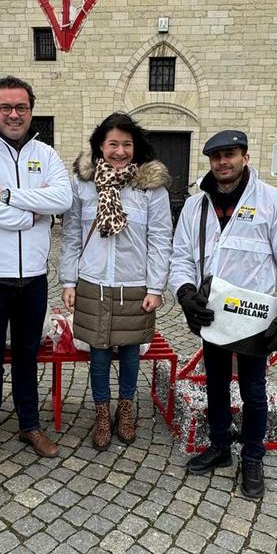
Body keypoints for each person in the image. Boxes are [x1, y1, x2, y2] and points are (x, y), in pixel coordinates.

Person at [170, 129, 277, 500]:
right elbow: (181, 256)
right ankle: (219, 447)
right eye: (216, 157)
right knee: (215, 382)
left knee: (253, 390)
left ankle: (252, 457)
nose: (222, 163)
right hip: (213, 313)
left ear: (244, 157)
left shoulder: (271, 201)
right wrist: (185, 294)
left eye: (229, 155)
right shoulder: (195, 206)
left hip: (255, 315)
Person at [0, 75, 72, 475]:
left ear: (31, 110)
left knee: (26, 358)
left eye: (21, 107)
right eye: (6, 107)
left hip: (34, 278)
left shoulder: (46, 153)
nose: (14, 114)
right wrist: (31, 216)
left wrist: (6, 195)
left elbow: (63, 199)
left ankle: (29, 426)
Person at [59, 113, 172, 449]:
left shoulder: (150, 188)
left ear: (135, 147)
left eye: (126, 144)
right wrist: (68, 281)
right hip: (93, 280)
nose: (120, 151)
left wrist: (155, 287)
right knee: (98, 352)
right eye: (113, 144)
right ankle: (101, 413)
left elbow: (160, 238)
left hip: (133, 281)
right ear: (100, 146)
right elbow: (70, 235)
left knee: (131, 350)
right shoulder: (83, 184)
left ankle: (125, 410)